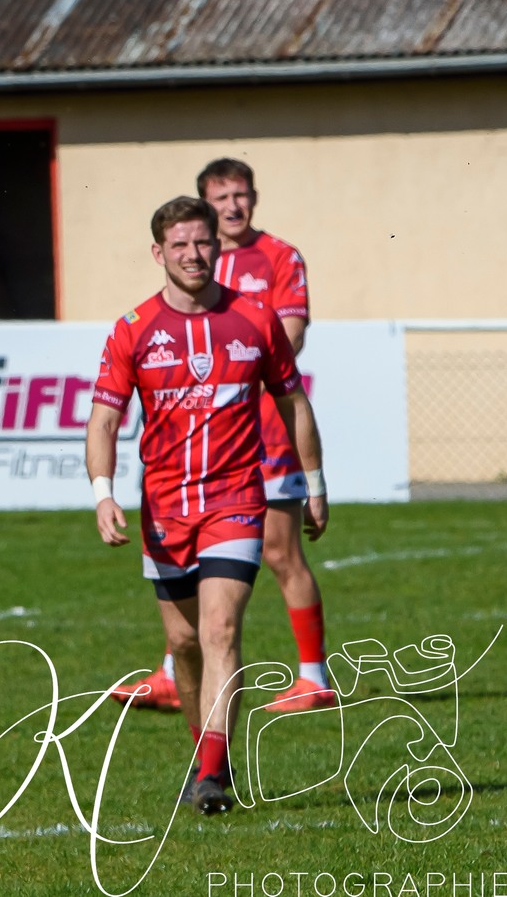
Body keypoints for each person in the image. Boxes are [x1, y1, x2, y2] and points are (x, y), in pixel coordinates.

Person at [85, 196, 329, 815]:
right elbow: (104, 420)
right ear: (158, 252)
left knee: (221, 629)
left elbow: (293, 402)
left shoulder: (255, 318)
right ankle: (204, 756)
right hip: (164, 508)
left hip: (236, 500)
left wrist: (314, 483)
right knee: (186, 643)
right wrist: (103, 493)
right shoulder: (133, 328)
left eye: (203, 243)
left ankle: (214, 776)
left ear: (216, 246)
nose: (194, 255)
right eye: (181, 245)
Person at [110, 158, 335, 716]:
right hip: (195, 446)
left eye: (241, 194)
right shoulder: (198, 258)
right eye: (222, 196)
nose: (234, 205)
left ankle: (314, 674)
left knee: (282, 552)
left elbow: (288, 341)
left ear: (253, 198)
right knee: (190, 561)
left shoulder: (278, 258)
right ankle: (172, 671)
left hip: (262, 433)